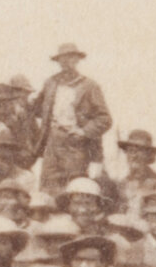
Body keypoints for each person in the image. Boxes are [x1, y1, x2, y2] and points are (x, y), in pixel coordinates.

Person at [32, 42, 113, 192]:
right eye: (62, 59)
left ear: (77, 60)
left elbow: (105, 119)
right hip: (52, 142)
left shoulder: (89, 86)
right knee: (48, 186)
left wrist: (83, 132)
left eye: (70, 58)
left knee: (74, 186)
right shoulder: (51, 83)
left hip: (75, 144)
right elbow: (38, 109)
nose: (66, 63)